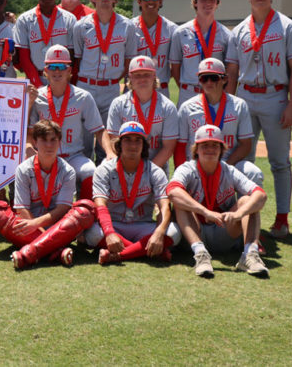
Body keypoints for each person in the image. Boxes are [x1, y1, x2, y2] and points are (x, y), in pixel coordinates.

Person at [226, 0, 292, 238]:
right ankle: (242, 216)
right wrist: (229, 106)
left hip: (275, 95)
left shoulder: (286, 26)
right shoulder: (238, 30)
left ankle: (282, 219)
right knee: (242, 159)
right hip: (245, 97)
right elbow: (233, 73)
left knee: (280, 162)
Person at [0, 119, 94, 269]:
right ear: (35, 142)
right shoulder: (23, 169)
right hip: (30, 226)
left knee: (85, 210)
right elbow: (22, 210)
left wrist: (36, 225)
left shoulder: (67, 171)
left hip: (57, 226)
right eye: (44, 140)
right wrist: (39, 230)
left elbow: (62, 209)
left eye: (53, 140)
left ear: (59, 142)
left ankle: (30, 252)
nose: (49, 145)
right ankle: (55, 251)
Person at [167, 124, 269, 278]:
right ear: (196, 149)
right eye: (205, 145)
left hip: (224, 231)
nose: (210, 149)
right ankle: (201, 255)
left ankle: (250, 255)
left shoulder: (229, 170)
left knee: (248, 201)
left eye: (215, 145)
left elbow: (261, 195)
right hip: (194, 231)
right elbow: (172, 192)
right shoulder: (187, 168)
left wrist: (239, 213)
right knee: (180, 202)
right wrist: (205, 212)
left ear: (222, 149)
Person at [86, 121, 180, 265]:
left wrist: (159, 233)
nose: (133, 145)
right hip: (114, 224)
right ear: (119, 144)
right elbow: (100, 205)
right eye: (128, 140)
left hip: (143, 224)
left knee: (174, 232)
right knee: (92, 233)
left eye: (138, 141)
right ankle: (149, 252)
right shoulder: (104, 170)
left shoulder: (155, 171)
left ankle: (118, 255)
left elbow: (164, 206)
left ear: (144, 145)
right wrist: (110, 232)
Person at [28, 45, 105, 200]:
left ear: (69, 71)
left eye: (62, 67)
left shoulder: (83, 96)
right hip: (44, 154)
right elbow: (29, 132)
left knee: (90, 170)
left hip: (73, 156)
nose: (57, 71)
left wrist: (109, 153)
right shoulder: (37, 96)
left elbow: (99, 130)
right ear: (45, 71)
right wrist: (28, 147)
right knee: (24, 169)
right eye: (53, 67)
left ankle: (85, 210)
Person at [73, 0, 136, 158]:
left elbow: (128, 62)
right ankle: (82, 183)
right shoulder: (81, 26)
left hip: (111, 88)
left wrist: (116, 81)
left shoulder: (127, 26)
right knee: (83, 143)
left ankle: (104, 181)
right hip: (85, 87)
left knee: (107, 142)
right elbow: (77, 60)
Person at [175, 57, 263, 184]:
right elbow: (180, 147)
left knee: (254, 173)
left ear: (225, 79)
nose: (209, 82)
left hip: (229, 164)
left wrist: (225, 167)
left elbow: (246, 144)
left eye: (214, 77)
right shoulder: (187, 108)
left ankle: (243, 204)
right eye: (204, 78)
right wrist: (183, 175)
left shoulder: (239, 105)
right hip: (196, 166)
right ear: (199, 80)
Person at [104, 55, 178, 173]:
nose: (142, 79)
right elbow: (114, 140)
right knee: (105, 166)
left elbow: (168, 147)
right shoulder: (118, 103)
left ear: (154, 76)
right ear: (130, 77)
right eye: (137, 75)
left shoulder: (167, 106)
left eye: (146, 75)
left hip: (156, 167)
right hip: (125, 164)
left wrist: (148, 172)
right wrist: (130, 169)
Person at [170, 0, 233, 107]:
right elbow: (176, 68)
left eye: (212, 0)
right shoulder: (180, 32)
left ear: (217, 3)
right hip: (188, 94)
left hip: (215, 94)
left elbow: (230, 69)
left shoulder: (226, 34)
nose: (208, 3)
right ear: (195, 2)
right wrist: (187, 87)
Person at [14, 0, 77, 88]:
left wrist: (65, 84)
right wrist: (37, 85)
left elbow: (73, 57)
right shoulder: (24, 19)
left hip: (62, 80)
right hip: (35, 80)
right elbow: (24, 58)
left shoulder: (69, 19)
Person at [131, 0, 177, 97]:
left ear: (160, 1)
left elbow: (176, 64)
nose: (151, 1)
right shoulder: (129, 27)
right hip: (135, 89)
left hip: (161, 89)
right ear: (139, 1)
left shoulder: (172, 29)